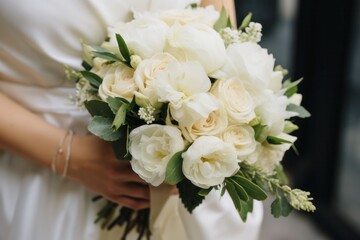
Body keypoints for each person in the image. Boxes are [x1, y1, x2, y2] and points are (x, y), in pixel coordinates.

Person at [0, 0, 263, 239]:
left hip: (196, 158)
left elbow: (214, 9)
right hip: (45, 171)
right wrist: (71, 156)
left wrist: (216, 96)